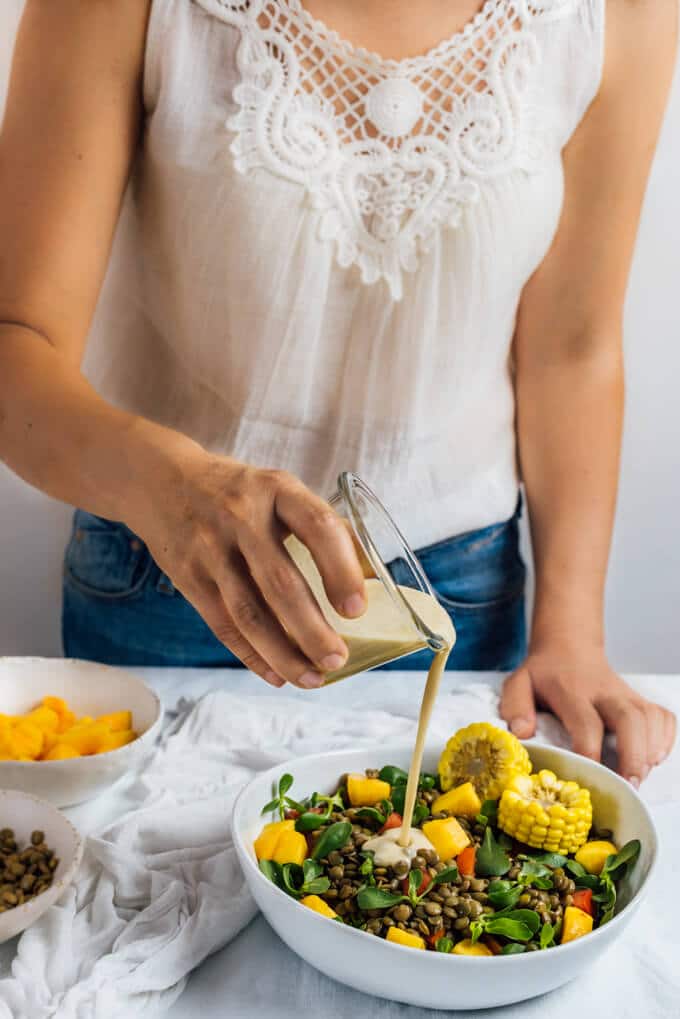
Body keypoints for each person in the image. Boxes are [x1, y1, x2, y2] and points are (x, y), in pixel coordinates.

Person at [0, 0, 676, 784]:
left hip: (456, 595)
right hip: (171, 573)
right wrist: (176, 489)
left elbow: (573, 348)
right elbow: (17, 346)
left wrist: (572, 632)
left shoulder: (622, 10)